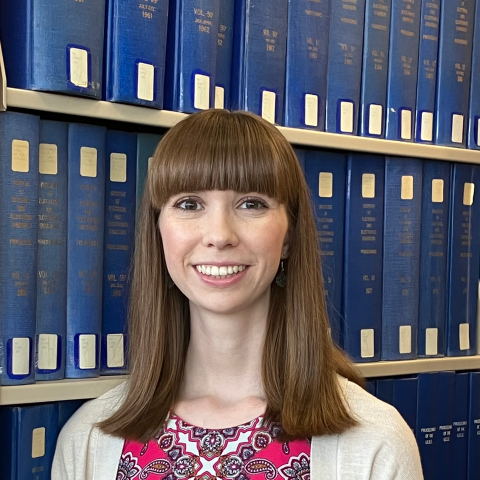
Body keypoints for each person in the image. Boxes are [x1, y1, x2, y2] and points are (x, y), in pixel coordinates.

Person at [52, 109, 423, 480]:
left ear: (289, 237)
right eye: (189, 204)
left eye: (251, 203)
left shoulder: (376, 442)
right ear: (158, 231)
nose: (219, 234)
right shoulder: (87, 440)